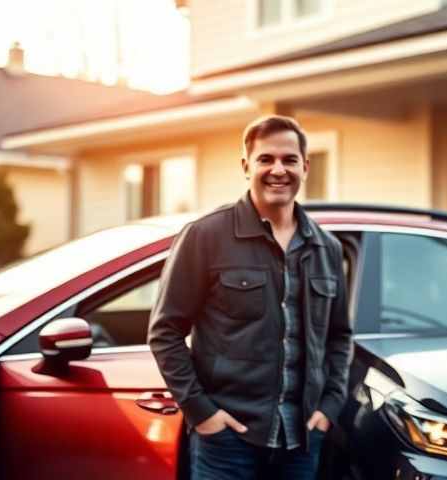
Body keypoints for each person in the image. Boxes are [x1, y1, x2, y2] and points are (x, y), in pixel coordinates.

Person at [148, 115, 352, 479]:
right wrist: (202, 413)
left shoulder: (327, 248)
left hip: (302, 442)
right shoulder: (206, 236)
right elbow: (165, 331)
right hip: (227, 443)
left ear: (305, 167)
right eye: (266, 159)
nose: (279, 170)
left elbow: (339, 336)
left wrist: (330, 407)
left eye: (289, 160)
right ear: (246, 166)